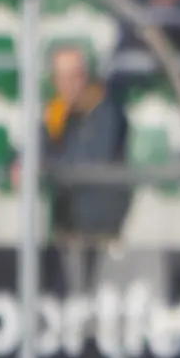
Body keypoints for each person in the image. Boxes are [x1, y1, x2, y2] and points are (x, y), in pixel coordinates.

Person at [44, 44, 131, 242]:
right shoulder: (58, 114)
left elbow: (92, 161)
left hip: (100, 228)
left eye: (75, 76)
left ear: (86, 76)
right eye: (62, 78)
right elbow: (31, 147)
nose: (69, 85)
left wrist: (48, 164)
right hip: (65, 224)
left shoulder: (109, 113)